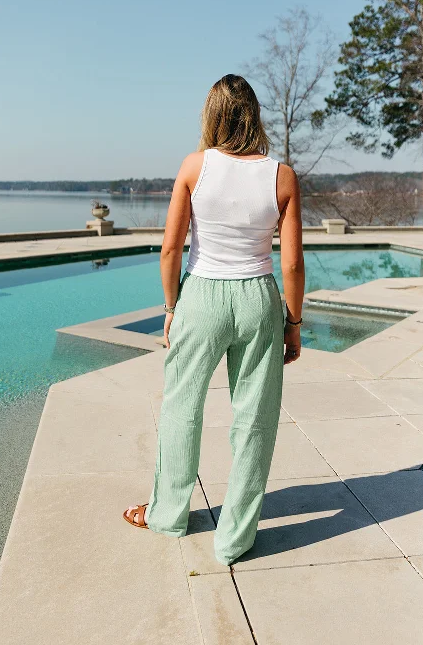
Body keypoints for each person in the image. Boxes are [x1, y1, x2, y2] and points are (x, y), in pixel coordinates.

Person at [123, 74, 305, 566]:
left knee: (182, 407)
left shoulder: (194, 167)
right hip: (257, 299)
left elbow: (169, 248)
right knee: (255, 420)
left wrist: (170, 307)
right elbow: (290, 264)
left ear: (212, 115)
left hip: (201, 295)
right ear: (254, 113)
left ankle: (168, 515)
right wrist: (293, 322)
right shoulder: (281, 176)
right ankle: (235, 539)